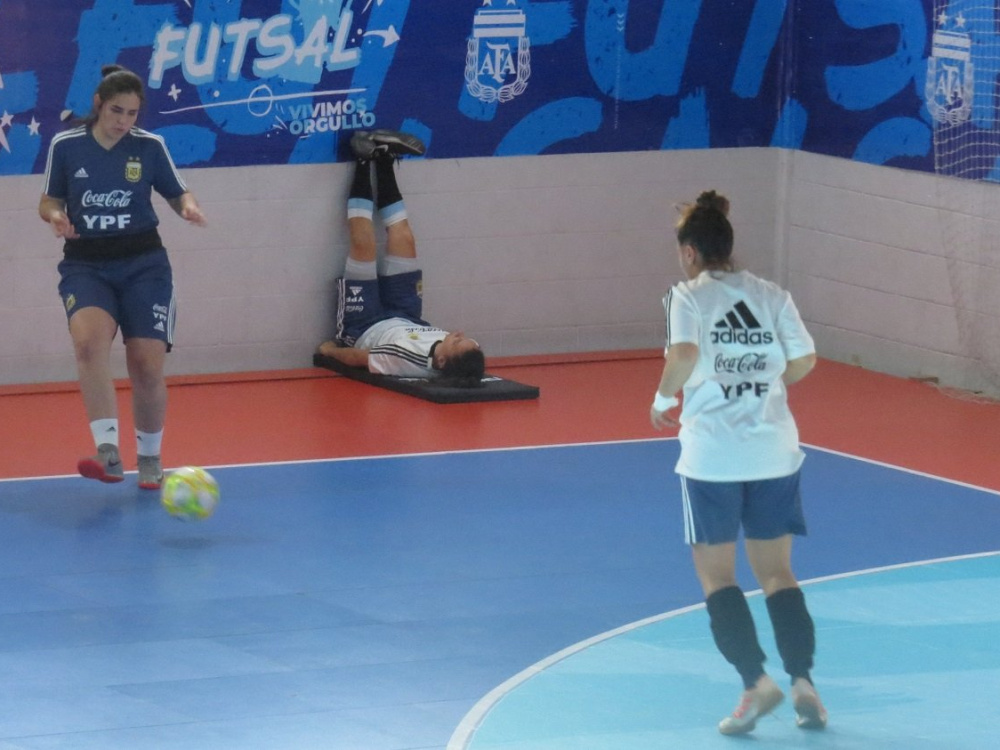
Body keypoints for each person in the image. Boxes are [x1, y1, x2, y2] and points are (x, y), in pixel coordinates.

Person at [649, 191, 826, 735]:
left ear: (689, 253)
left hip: (712, 459)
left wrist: (662, 400)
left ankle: (755, 684)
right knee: (777, 571)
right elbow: (805, 360)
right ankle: (804, 685)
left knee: (717, 576)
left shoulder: (687, 296)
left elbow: (683, 355)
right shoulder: (772, 295)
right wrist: (761, 386)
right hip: (775, 451)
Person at [39, 64, 207, 489]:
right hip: (86, 264)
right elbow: (48, 201)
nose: (123, 121)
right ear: (98, 105)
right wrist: (57, 216)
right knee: (88, 344)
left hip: (143, 265)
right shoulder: (67, 145)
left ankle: (150, 457)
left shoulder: (149, 147)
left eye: (132, 114)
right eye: (117, 111)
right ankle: (108, 452)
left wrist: (186, 206)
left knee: (147, 365)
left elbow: (176, 191)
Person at [316, 130, 485, 386]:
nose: (459, 334)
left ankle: (362, 160)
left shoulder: (405, 360)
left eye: (458, 341)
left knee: (364, 244)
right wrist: (459, 344)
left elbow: (359, 358)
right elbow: (466, 351)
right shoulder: (467, 354)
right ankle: (385, 158)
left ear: (440, 362)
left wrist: (329, 353)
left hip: (365, 326)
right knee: (405, 239)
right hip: (408, 315)